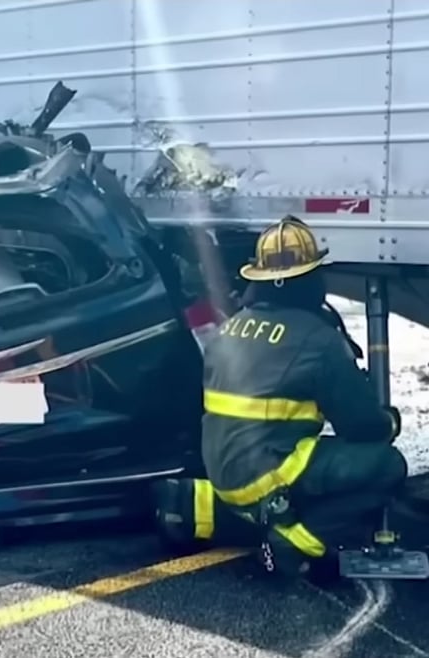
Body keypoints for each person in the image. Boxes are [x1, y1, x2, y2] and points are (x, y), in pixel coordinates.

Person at [155, 216, 406, 578]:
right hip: (265, 473)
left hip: (222, 469)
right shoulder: (318, 340)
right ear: (310, 278)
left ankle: (200, 508)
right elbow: (362, 427)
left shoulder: (231, 326)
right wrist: (388, 422)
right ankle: (296, 541)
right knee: (386, 465)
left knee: (290, 462)